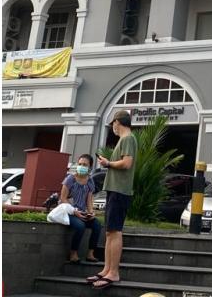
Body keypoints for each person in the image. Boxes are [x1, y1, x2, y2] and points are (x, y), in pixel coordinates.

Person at [87, 110, 138, 290]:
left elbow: (127, 163)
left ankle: (113, 273)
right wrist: (108, 163)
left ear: (118, 122)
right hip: (115, 190)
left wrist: (108, 163)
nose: (113, 127)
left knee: (115, 231)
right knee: (109, 232)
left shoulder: (128, 139)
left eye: (113, 124)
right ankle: (106, 270)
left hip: (120, 190)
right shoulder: (125, 139)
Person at [59, 154, 101, 263]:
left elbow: (89, 200)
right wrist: (74, 211)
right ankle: (73, 253)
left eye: (85, 165)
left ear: (90, 167)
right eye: (80, 164)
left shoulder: (90, 181)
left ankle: (90, 254)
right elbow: (63, 198)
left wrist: (91, 212)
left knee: (97, 225)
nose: (81, 166)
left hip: (81, 212)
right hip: (68, 211)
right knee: (80, 226)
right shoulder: (70, 179)